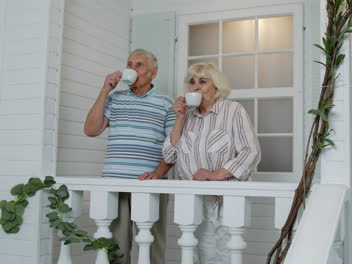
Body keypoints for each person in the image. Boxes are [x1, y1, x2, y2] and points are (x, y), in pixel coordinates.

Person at [162, 63, 261, 263]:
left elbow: (251, 152)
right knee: (199, 254)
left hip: (227, 197)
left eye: (202, 81)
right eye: (192, 82)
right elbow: (169, 156)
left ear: (216, 86)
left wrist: (215, 175)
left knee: (226, 254)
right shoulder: (186, 116)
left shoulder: (233, 110)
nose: (195, 87)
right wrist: (179, 118)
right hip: (196, 200)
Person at [84, 49, 175, 264]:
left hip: (151, 185)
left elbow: (174, 147)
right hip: (115, 183)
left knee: (153, 247)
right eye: (130, 64)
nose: (132, 69)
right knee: (116, 249)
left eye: (139, 65)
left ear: (154, 72)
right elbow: (90, 130)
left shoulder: (166, 103)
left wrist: (158, 174)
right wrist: (105, 90)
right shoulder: (114, 99)